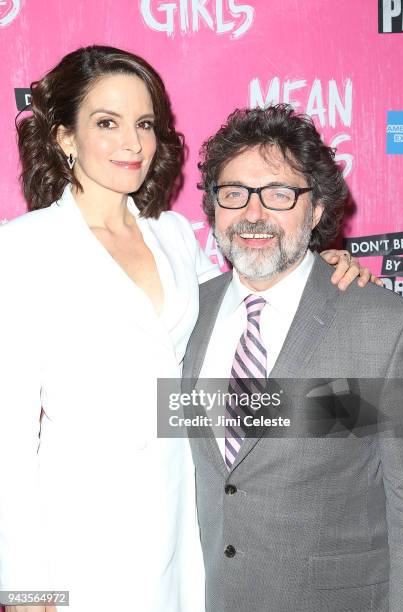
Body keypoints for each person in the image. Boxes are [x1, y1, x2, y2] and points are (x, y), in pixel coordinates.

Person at [0, 46, 374, 612]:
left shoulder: (172, 234)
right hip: (78, 526)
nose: (133, 143)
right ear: (64, 137)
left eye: (144, 124)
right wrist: (25, 585)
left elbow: (243, 306)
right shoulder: (23, 248)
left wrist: (316, 265)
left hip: (181, 509)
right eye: (107, 123)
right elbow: (8, 436)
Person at [183, 104, 403, 611]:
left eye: (280, 194)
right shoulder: (186, 315)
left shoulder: (383, 324)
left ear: (318, 210)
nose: (253, 214)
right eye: (234, 193)